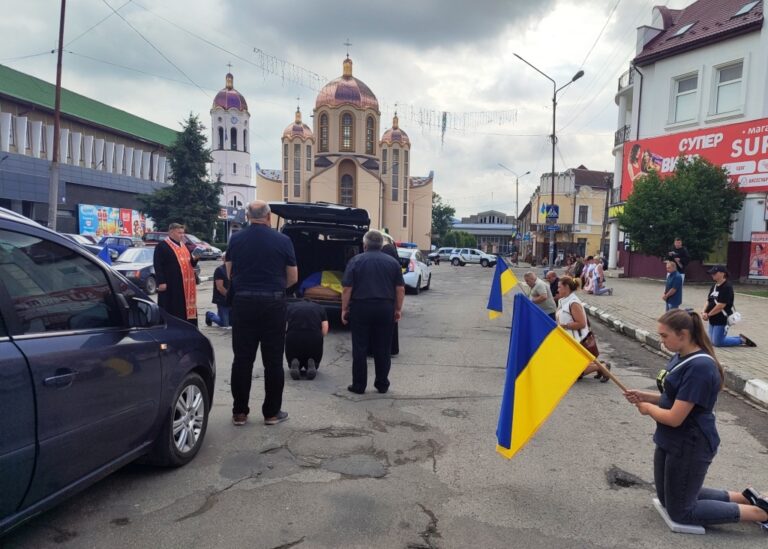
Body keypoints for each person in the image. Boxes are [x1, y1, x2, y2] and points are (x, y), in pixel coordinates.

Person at [624, 309, 768, 528]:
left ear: (683, 334)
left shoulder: (700, 367)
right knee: (667, 499)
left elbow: (674, 417)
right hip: (670, 438)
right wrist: (648, 397)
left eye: (664, 335)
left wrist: (647, 408)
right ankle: (745, 497)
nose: (660, 339)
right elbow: (674, 398)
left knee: (682, 512)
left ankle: (760, 512)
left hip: (690, 443)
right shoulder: (681, 355)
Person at [227, 201, 298, 427]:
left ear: (248, 216)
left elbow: (229, 272)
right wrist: (275, 288)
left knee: (242, 359)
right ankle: (271, 413)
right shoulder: (283, 240)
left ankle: (239, 412)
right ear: (268, 217)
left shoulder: (236, 239)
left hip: (243, 303)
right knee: (273, 361)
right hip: (273, 304)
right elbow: (293, 277)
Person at [341, 230, 405, 394]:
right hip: (385, 308)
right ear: (382, 245)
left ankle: (359, 385)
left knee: (360, 347)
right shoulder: (392, 263)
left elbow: (347, 288)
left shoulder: (355, 261)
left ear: (364, 245)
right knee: (383, 347)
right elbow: (400, 289)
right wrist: (398, 309)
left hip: (361, 307)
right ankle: (382, 384)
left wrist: (344, 309)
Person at [556, 276, 609, 382]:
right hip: (567, 339)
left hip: (577, 341)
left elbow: (581, 323)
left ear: (566, 287)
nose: (557, 290)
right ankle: (597, 366)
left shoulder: (573, 302)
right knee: (568, 369)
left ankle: (602, 366)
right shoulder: (563, 300)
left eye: (559, 287)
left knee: (573, 374)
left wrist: (565, 326)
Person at [153, 223, 199, 325]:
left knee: (185, 307)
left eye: (183, 233)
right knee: (174, 307)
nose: (182, 235)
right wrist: (161, 282)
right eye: (179, 233)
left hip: (186, 285)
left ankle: (189, 326)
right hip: (172, 283)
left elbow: (190, 263)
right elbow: (158, 265)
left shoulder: (184, 246)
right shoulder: (162, 246)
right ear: (171, 232)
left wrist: (195, 259)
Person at [701, 265, 756, 348]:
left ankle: (740, 340)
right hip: (712, 318)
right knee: (712, 341)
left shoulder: (727, 287)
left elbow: (721, 305)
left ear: (722, 274)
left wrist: (708, 315)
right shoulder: (714, 286)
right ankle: (737, 338)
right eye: (711, 273)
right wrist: (704, 311)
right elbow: (708, 300)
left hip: (721, 318)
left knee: (718, 343)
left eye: (714, 273)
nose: (712, 275)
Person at [285, 298, 329, 380]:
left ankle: (294, 361)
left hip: (294, 337)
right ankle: (312, 362)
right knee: (314, 354)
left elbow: (284, 326)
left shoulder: (290, 307)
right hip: (314, 338)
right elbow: (325, 330)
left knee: (292, 353)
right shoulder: (320, 308)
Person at [381, 241, 401, 356]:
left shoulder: (379, 263)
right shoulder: (395, 265)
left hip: (378, 297)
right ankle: (392, 348)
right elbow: (400, 288)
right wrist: (398, 307)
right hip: (391, 299)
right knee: (391, 325)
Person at [205, 253, 230, 328]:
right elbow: (220, 288)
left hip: (231, 299)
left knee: (232, 323)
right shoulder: (219, 270)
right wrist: (230, 296)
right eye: (226, 258)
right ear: (223, 259)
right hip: (222, 299)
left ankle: (221, 315)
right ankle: (209, 315)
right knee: (224, 324)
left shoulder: (234, 269)